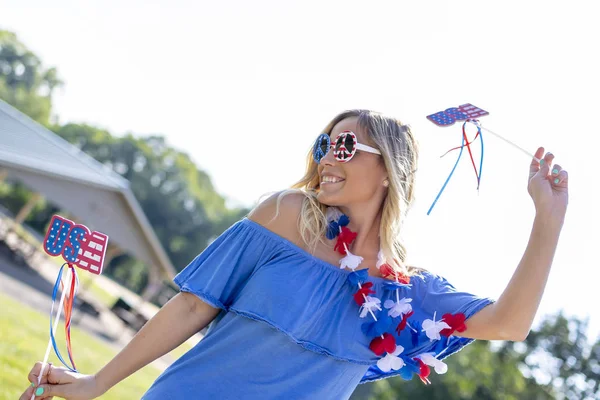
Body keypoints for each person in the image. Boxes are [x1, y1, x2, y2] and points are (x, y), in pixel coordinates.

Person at [21, 109, 569, 400]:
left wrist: (548, 220)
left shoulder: (407, 294)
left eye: (347, 146)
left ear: (388, 172)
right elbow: (191, 309)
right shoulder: (284, 214)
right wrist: (97, 384)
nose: (329, 156)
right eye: (324, 144)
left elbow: (510, 322)